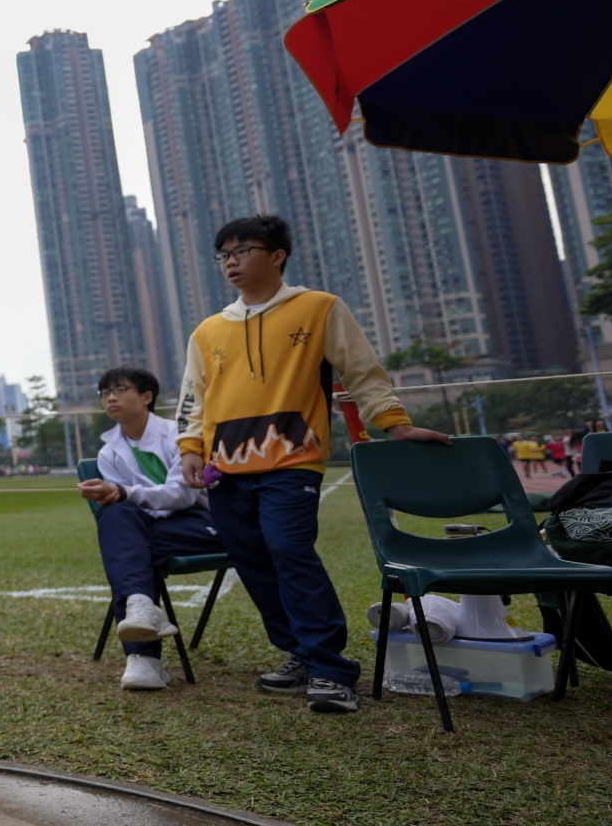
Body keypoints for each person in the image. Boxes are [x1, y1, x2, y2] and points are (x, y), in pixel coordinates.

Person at [176, 215, 452, 715]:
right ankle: (301, 653)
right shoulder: (208, 330)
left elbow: (362, 371)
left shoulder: (319, 307)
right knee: (252, 561)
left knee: (289, 551)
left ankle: (330, 669)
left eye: (242, 251)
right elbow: (193, 398)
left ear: (277, 255)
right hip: (225, 472)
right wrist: (190, 448)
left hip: (293, 462)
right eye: (224, 255)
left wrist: (395, 424)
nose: (231, 262)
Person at [77, 367, 215, 692]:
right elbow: (125, 508)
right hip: (157, 530)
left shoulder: (180, 435)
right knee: (116, 519)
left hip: (205, 523)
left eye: (120, 389)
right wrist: (118, 496)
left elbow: (183, 495)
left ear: (146, 397)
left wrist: (123, 492)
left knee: (127, 549)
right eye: (105, 392)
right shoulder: (108, 452)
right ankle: (141, 607)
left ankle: (143, 658)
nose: (110, 397)